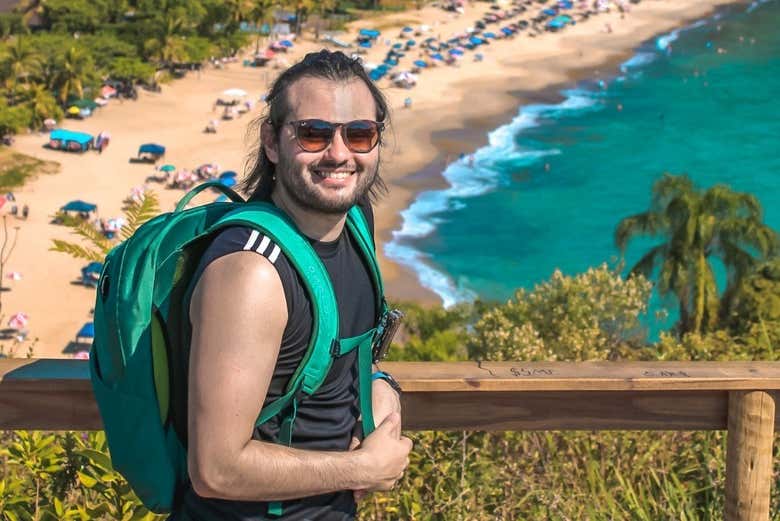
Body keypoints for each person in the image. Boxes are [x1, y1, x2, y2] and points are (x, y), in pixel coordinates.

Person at [172, 50, 411, 521]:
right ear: (272, 142)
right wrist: (359, 468)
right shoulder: (250, 273)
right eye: (314, 133)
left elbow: (329, 359)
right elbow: (216, 468)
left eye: (359, 134)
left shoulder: (355, 224)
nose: (339, 154)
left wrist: (380, 385)